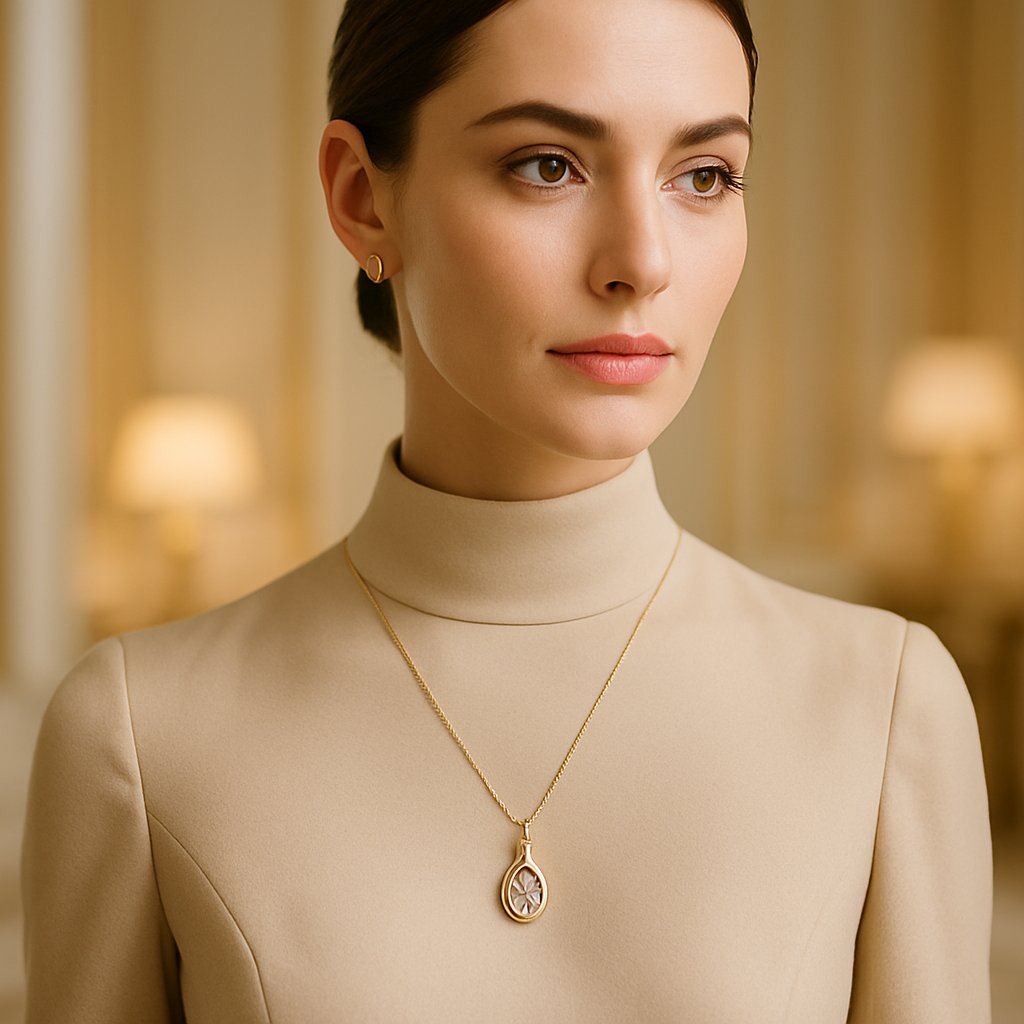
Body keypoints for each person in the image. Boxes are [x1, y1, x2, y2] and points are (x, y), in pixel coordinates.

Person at [21, 0, 992, 1020]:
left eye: (702, 175)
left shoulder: (884, 710)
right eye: (547, 164)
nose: (642, 262)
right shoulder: (138, 733)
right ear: (362, 201)